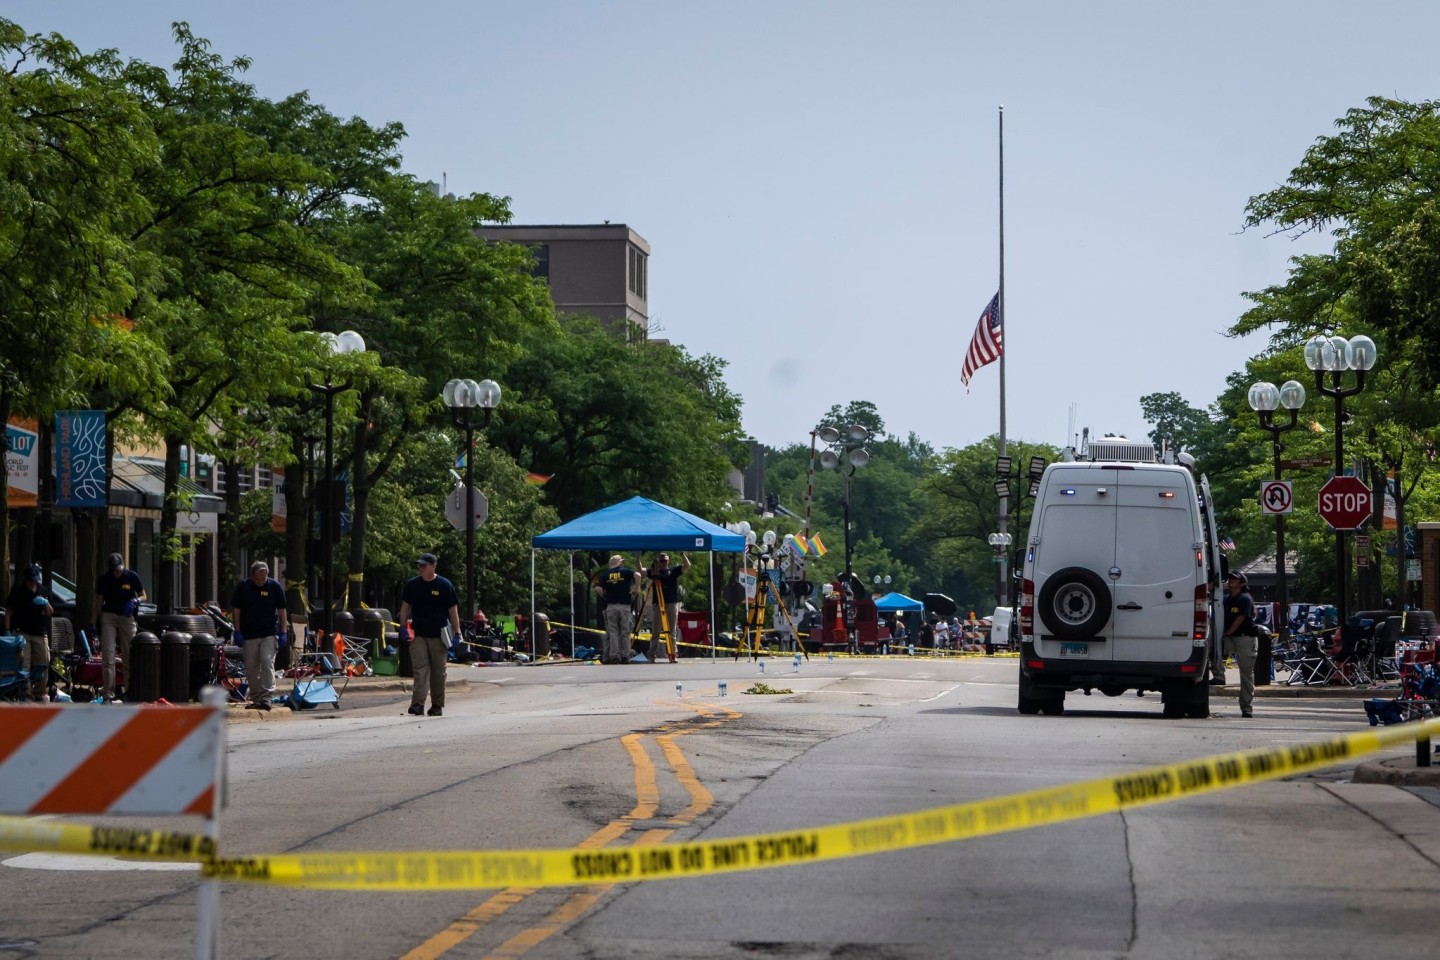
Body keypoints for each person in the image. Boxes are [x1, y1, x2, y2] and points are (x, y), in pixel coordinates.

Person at [399, 553, 461, 717]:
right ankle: (418, 704)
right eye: (419, 565)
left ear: (433, 566)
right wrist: (403, 626)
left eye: (423, 565)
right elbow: (405, 606)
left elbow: (453, 611)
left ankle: (437, 705)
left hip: (439, 635)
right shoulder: (412, 585)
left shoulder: (444, 585)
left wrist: (457, 633)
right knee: (420, 670)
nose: (420, 568)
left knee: (438, 672)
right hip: (418, 634)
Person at [229, 561, 289, 711]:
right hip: (249, 634)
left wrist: (283, 632)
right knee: (251, 668)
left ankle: (266, 697)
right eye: (257, 579)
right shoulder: (244, 587)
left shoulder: (275, 587)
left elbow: (282, 611)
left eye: (263, 579)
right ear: (252, 576)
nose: (260, 582)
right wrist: (237, 630)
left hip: (269, 633)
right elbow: (236, 610)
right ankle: (256, 697)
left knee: (267, 662)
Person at [94, 552, 145, 702]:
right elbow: (98, 601)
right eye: (115, 569)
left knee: (129, 655)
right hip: (109, 616)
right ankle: (108, 694)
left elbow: (143, 594)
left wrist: (136, 601)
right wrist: (95, 621)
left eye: (119, 569)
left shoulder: (131, 576)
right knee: (108, 657)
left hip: (127, 617)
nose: (118, 572)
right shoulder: (104, 580)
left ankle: (130, 691)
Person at [5, 564, 53, 702]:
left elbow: (49, 613)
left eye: (35, 580)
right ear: (25, 580)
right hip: (22, 632)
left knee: (44, 661)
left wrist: (46, 604)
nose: (33, 583)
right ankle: (26, 694)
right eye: (30, 580)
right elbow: (9, 612)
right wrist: (8, 630)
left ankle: (40, 692)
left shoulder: (43, 591)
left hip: (39, 632)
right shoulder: (17, 592)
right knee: (24, 663)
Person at [1216, 571, 1258, 718]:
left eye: (1235, 579)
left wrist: (1227, 633)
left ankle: (1246, 708)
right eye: (1230, 579)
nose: (1231, 581)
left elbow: (1241, 618)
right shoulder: (1225, 599)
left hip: (1244, 638)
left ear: (1242, 584)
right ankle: (1219, 675)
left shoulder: (1245, 599)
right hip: (1229, 637)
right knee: (1212, 649)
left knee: (1246, 674)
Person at [643, 552, 690, 661]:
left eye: (665, 561)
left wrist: (682, 554)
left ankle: (673, 654)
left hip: (671, 603)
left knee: (672, 630)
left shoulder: (673, 571)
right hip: (657, 604)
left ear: (668, 561)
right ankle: (651, 655)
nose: (663, 563)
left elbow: (687, 566)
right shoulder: (654, 572)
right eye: (661, 561)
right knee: (656, 630)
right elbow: (641, 571)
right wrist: (637, 557)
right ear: (658, 562)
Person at [593, 555, 639, 664]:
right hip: (625, 606)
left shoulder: (605, 575)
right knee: (625, 632)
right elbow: (637, 575)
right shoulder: (626, 572)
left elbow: (598, 588)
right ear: (620, 563)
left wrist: (604, 597)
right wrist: (636, 589)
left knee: (613, 632)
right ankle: (625, 655)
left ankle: (614, 655)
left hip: (611, 606)